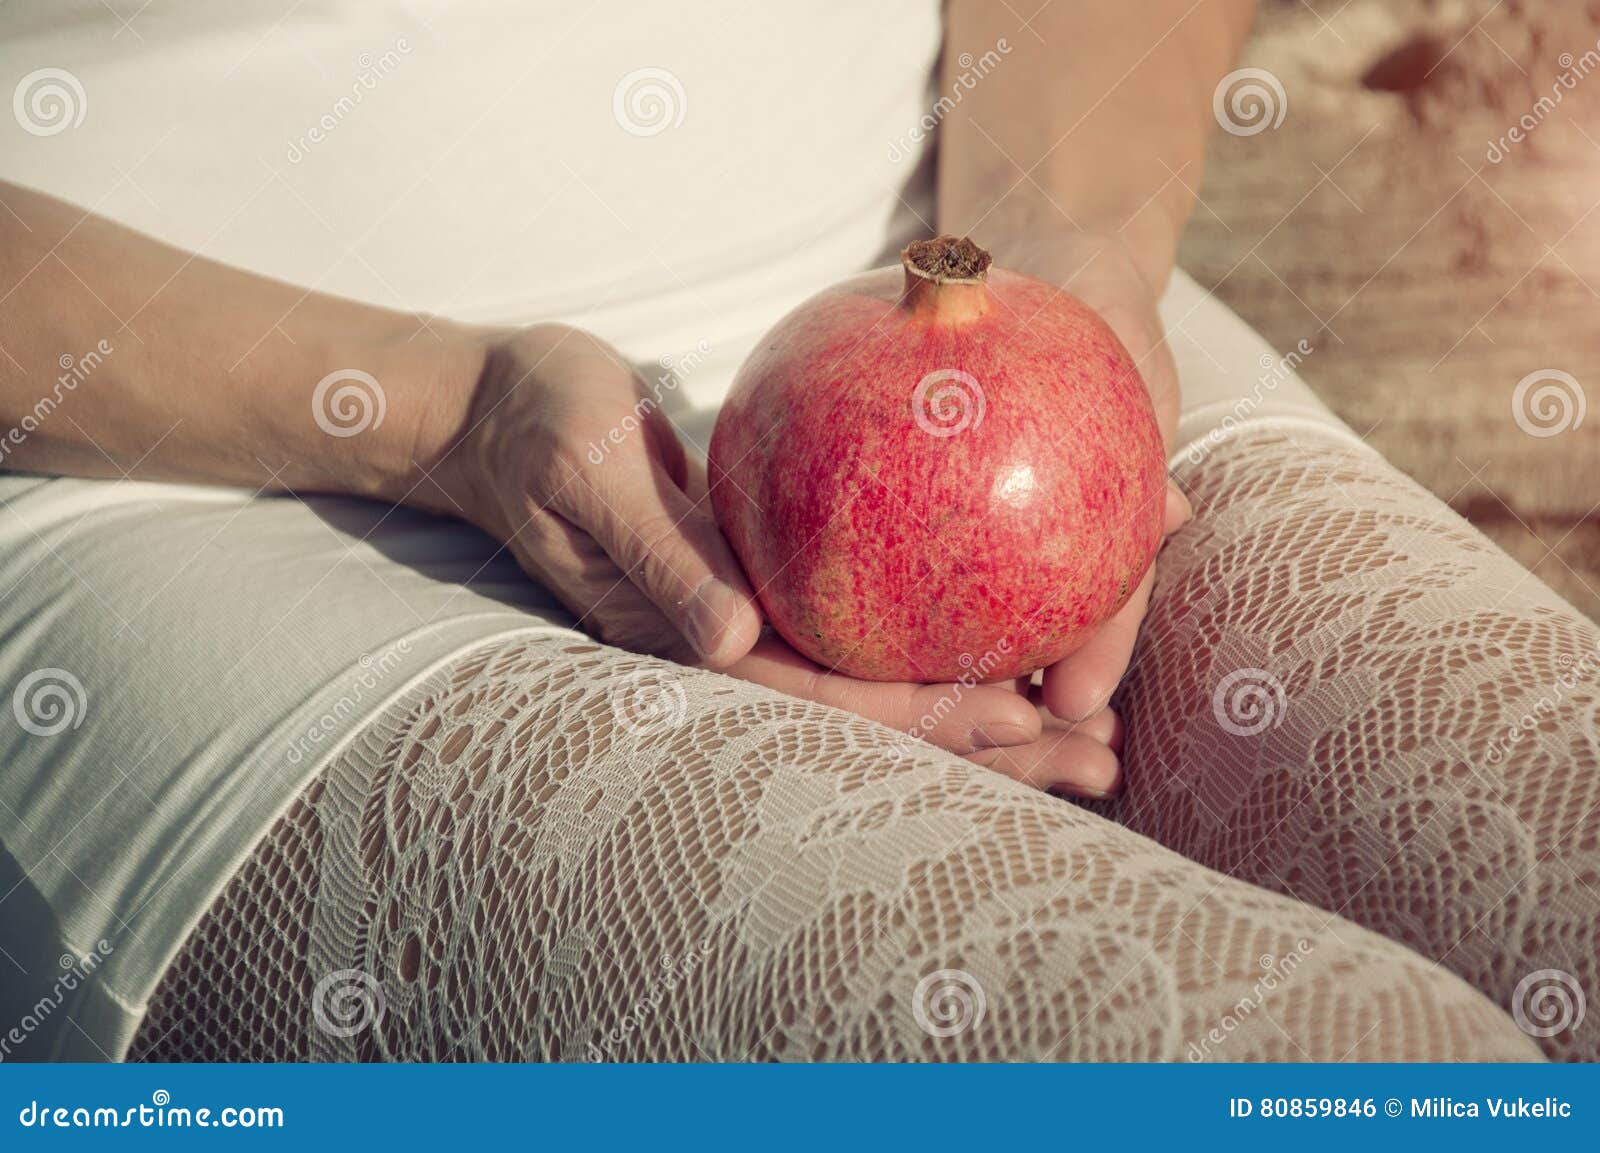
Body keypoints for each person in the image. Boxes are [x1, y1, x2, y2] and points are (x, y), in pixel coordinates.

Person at [0, 1, 1591, 1062]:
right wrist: (444, 412)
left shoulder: (1028, 289)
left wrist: (1067, 261)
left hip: (948, 283)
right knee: (1353, 1068)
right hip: (186, 446)